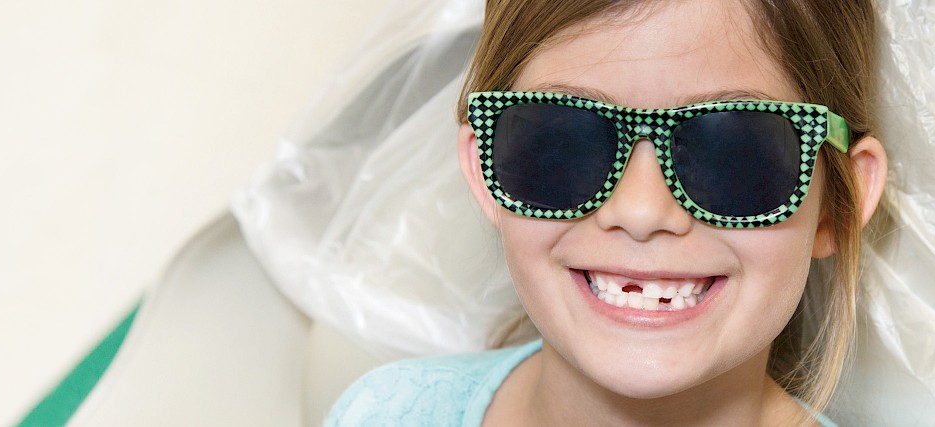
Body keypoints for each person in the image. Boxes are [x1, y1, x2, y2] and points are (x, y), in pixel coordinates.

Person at [326, 0, 887, 424]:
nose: (641, 211)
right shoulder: (380, 413)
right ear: (486, 170)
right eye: (563, 140)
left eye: (732, 152)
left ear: (838, 204)